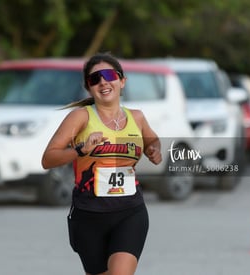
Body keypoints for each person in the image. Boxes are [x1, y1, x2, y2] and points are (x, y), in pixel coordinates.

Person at [41, 53, 162, 275]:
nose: (103, 82)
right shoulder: (81, 118)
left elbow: (151, 140)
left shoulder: (137, 118)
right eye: (94, 79)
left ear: (122, 81)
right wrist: (80, 150)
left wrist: (154, 149)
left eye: (108, 75)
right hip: (89, 215)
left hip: (130, 212)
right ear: (89, 88)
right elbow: (48, 159)